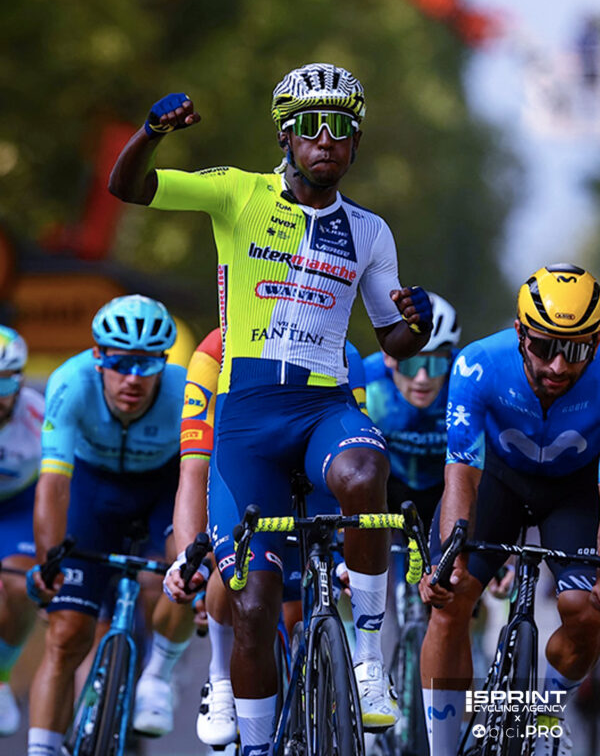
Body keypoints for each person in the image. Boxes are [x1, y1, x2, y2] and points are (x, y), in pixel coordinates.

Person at [109, 62, 433, 754]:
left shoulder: (370, 231)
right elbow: (128, 188)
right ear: (285, 136)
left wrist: (419, 324)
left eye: (341, 127)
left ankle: (368, 659)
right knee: (253, 608)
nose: (326, 139)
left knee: (364, 471)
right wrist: (151, 133)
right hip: (248, 419)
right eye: (310, 126)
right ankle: (256, 745)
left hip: (323, 408)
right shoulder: (237, 192)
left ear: (356, 142)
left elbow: (395, 338)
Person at [420, 264, 600, 756]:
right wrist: (451, 554)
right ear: (520, 333)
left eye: (576, 351)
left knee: (587, 612)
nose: (558, 366)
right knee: (450, 600)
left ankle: (545, 716)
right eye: (543, 347)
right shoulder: (479, 364)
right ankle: (442, 748)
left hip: (574, 492)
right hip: (498, 481)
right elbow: (461, 470)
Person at [166, 327, 368, 749]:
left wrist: (350, 552)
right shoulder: (213, 352)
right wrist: (188, 558)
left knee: (300, 609)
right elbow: (194, 468)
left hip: (311, 478)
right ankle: (221, 679)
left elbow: (352, 461)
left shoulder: (342, 348)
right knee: (231, 570)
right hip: (246, 472)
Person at [26, 295, 194, 756]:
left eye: (148, 363)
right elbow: (53, 485)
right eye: (120, 363)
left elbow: (199, 479)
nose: (133, 378)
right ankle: (42, 749)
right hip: (93, 492)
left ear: (164, 362)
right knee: (66, 635)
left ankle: (159, 673)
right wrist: (48, 563)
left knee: (183, 573)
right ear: (99, 356)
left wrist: (196, 560)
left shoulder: (186, 390)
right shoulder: (71, 382)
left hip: (162, 489)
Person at [364, 292, 461, 533]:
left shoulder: (465, 378)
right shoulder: (368, 380)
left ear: (450, 360)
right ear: (389, 357)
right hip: (388, 486)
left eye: (435, 364)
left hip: (444, 487)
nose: (422, 379)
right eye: (411, 364)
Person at [0, 326, 44, 736]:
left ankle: (2, 677)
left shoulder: (39, 416)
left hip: (17, 508)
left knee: (18, 586)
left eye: (4, 382)